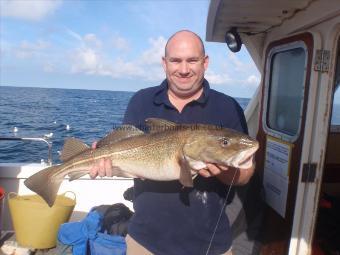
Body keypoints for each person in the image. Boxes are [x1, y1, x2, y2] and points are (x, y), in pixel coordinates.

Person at [90, 30, 257, 255]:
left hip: (211, 244)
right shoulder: (141, 100)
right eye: (176, 60)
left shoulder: (227, 107)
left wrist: (222, 172)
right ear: (164, 63)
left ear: (205, 62)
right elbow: (129, 154)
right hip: (145, 242)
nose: (184, 69)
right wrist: (106, 162)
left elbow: (246, 173)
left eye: (192, 60)